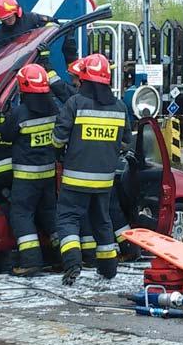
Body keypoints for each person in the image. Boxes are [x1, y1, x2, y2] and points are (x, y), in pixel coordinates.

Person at [53, 53, 131, 286]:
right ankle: (108, 268)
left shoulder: (75, 103)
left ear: (85, 78)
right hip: (104, 180)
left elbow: (58, 138)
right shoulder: (119, 107)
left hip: (75, 178)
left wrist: (60, 151)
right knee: (102, 221)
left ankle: (72, 263)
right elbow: (126, 142)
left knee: (67, 219)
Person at [0, 64, 60, 276]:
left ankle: (31, 261)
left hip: (26, 177)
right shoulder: (54, 109)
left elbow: (6, 135)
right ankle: (61, 257)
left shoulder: (19, 112)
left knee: (21, 215)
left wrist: (1, 120)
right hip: (48, 175)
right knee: (50, 215)